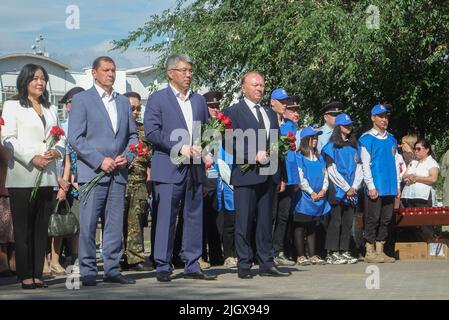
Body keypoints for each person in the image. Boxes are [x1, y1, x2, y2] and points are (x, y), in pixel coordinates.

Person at [144, 54, 216, 282]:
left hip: (195, 169)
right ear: (170, 73)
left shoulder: (199, 101)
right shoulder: (157, 99)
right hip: (169, 167)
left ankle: (193, 263)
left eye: (190, 70)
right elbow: (152, 132)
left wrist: (207, 151)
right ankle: (163, 264)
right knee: (166, 217)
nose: (188, 75)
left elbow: (207, 132)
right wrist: (180, 147)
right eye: (184, 70)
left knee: (194, 216)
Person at [68, 56, 138, 286]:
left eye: (113, 70)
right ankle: (88, 271)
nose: (111, 74)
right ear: (94, 73)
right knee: (88, 225)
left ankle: (112, 268)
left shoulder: (122, 103)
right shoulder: (82, 100)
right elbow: (75, 138)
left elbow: (133, 137)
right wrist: (100, 161)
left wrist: (127, 157)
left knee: (114, 225)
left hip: (118, 174)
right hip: (93, 173)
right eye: (106, 70)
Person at [1, 64, 66, 289]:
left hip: (47, 176)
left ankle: (38, 273)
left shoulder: (51, 108)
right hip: (22, 176)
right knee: (23, 228)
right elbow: (7, 138)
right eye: (35, 78)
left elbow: (61, 138)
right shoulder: (12, 106)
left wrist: (57, 151)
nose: (40, 82)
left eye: (43, 79)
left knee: (41, 228)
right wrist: (32, 157)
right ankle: (25, 274)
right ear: (25, 81)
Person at [224, 71, 290, 279]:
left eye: (262, 85)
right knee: (244, 220)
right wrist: (251, 155)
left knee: (265, 221)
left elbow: (277, 144)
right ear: (243, 87)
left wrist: (281, 175)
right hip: (246, 174)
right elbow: (228, 142)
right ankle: (244, 263)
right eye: (255, 85)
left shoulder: (270, 114)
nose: (259, 89)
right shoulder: (233, 112)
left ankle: (266, 262)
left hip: (269, 175)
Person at [359, 104, 400, 263]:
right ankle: (369, 251)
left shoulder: (391, 139)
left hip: (389, 186)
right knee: (372, 218)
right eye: (381, 116)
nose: (384, 119)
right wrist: (371, 186)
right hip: (376, 186)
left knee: (386, 218)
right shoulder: (366, 139)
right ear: (373, 118)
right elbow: (365, 165)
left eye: (386, 116)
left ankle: (380, 250)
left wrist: (397, 185)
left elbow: (396, 163)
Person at [322, 114, 362, 265]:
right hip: (337, 189)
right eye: (345, 125)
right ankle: (332, 252)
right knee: (336, 220)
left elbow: (360, 168)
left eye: (350, 125)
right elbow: (331, 171)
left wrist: (354, 187)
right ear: (338, 127)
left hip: (352, 189)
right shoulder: (330, 146)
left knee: (348, 221)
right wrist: (346, 188)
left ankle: (344, 250)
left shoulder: (355, 146)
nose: (349, 127)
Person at [120, 92, 153, 272]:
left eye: (138, 108)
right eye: (131, 108)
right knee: (117, 221)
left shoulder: (144, 130)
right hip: (120, 179)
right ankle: (119, 257)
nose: (135, 112)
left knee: (136, 220)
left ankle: (136, 257)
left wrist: (150, 172)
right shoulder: (117, 128)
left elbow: (151, 156)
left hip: (139, 181)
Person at [293, 127, 330, 266]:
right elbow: (301, 177)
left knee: (312, 226)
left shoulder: (320, 158)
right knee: (300, 226)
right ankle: (301, 255)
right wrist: (311, 192)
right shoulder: (299, 157)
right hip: (304, 197)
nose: (315, 140)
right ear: (304, 140)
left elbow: (325, 175)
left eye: (316, 138)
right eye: (312, 138)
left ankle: (313, 254)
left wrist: (323, 190)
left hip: (318, 197)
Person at [57, 87, 84, 274]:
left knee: (81, 222)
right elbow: (65, 157)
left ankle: (78, 257)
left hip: (85, 179)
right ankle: (66, 256)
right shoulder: (62, 127)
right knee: (68, 221)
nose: (71, 106)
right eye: (70, 103)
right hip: (65, 180)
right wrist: (65, 181)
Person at [272, 98, 300, 267]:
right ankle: (267, 251)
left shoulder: (290, 125)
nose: (285, 105)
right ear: (272, 103)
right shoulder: (269, 123)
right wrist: (279, 178)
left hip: (291, 176)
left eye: (286, 102)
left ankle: (278, 250)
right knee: (271, 216)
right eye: (281, 102)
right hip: (276, 176)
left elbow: (294, 153)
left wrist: (296, 178)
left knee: (284, 216)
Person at [201, 90, 224, 267]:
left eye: (217, 106)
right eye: (211, 106)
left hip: (219, 176)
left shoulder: (221, 126)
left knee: (216, 216)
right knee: (201, 216)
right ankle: (200, 255)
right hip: (204, 175)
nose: (215, 109)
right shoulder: (200, 126)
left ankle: (216, 254)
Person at [216, 145, 238, 269]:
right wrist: (237, 184)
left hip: (241, 188)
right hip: (229, 188)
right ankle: (229, 255)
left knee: (241, 224)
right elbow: (222, 167)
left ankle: (239, 254)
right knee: (230, 224)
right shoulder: (221, 146)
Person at [401, 138, 439, 207]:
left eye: (418, 149)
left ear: (427, 150)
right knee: (409, 217)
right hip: (409, 196)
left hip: (423, 197)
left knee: (423, 218)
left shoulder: (431, 162)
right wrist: (408, 177)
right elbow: (403, 177)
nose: (416, 151)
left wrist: (416, 178)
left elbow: (433, 179)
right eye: (415, 149)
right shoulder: (413, 162)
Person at [0, 115, 16, 278]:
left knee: (11, 229)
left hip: (11, 187)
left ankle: (12, 262)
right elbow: (6, 156)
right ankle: (3, 263)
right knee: (2, 229)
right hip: (2, 189)